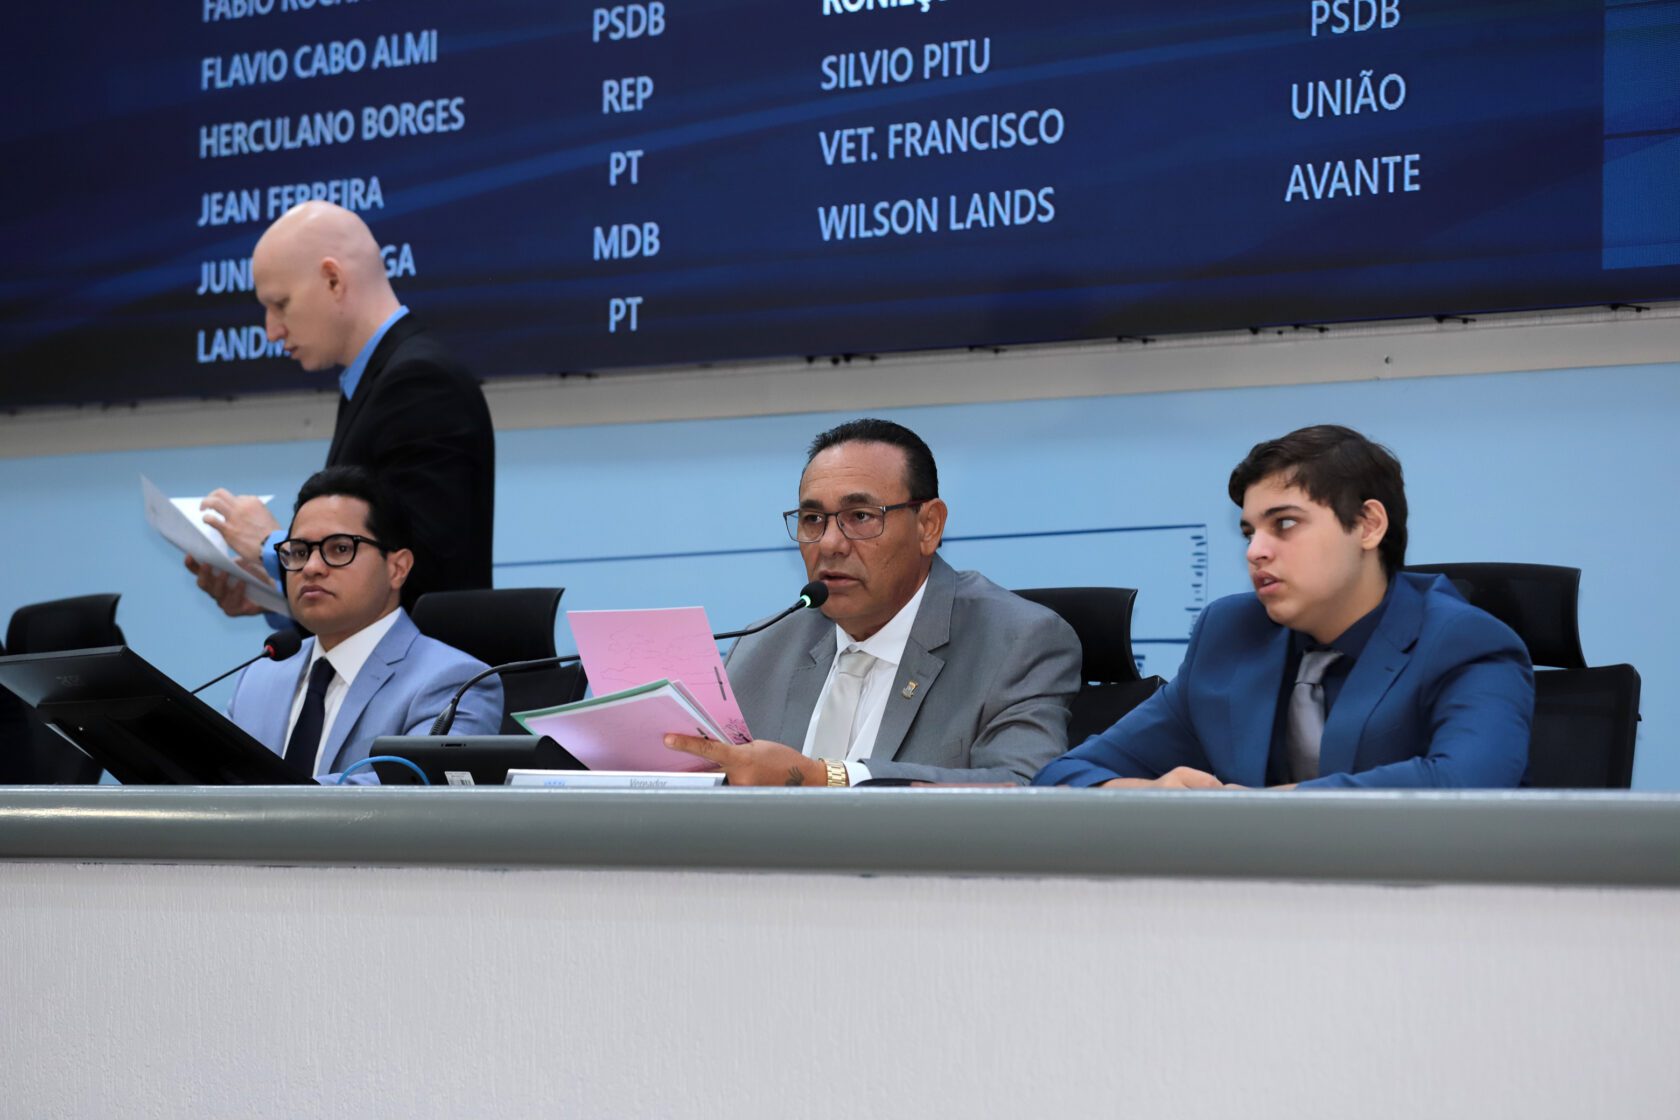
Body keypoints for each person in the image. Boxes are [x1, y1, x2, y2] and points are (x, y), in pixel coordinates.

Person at [1034, 425, 1533, 790]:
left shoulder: (1463, 641)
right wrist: (1152, 794)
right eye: (1249, 532)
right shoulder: (1230, 635)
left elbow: (1467, 784)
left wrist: (1262, 809)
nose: (1255, 552)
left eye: (1285, 524)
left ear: (1367, 526)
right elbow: (1063, 776)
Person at [665, 419, 1081, 786]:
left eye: (861, 516)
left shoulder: (1017, 643)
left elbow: (1025, 787)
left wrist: (825, 778)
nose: (830, 543)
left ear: (928, 526)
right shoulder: (761, 648)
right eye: (813, 520)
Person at [187, 201, 495, 619]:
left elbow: (423, 572)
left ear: (333, 280)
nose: (271, 330)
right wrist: (280, 594)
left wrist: (274, 547)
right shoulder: (376, 381)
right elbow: (380, 575)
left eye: (280, 304)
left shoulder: (418, 382)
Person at [225, 466, 502, 781]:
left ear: (397, 568)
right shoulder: (258, 677)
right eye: (299, 552)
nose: (311, 567)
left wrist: (258, 798)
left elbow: (410, 790)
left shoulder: (455, 684)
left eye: (340, 548)